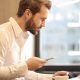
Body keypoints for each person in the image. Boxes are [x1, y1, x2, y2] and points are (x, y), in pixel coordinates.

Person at [0, 0, 68, 80]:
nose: (43, 25)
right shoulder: (3, 34)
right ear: (28, 14)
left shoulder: (23, 36)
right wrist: (26, 66)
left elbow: (22, 74)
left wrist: (52, 77)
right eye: (42, 19)